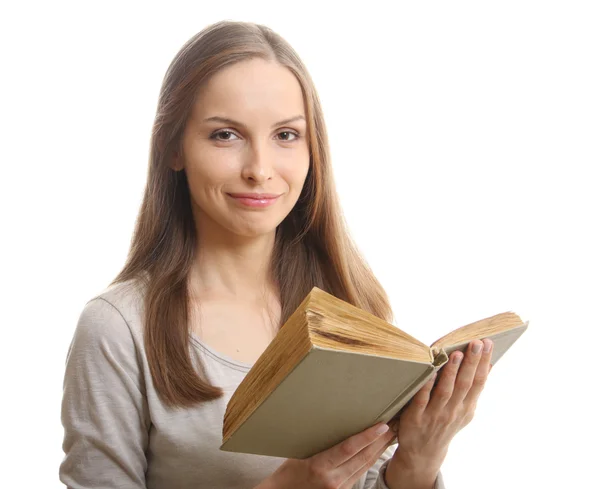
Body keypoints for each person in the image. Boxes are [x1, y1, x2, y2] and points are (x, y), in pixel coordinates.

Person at [59, 20, 494, 489]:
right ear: (174, 148)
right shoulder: (118, 328)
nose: (260, 170)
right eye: (225, 135)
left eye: (286, 135)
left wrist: (417, 465)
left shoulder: (350, 311)